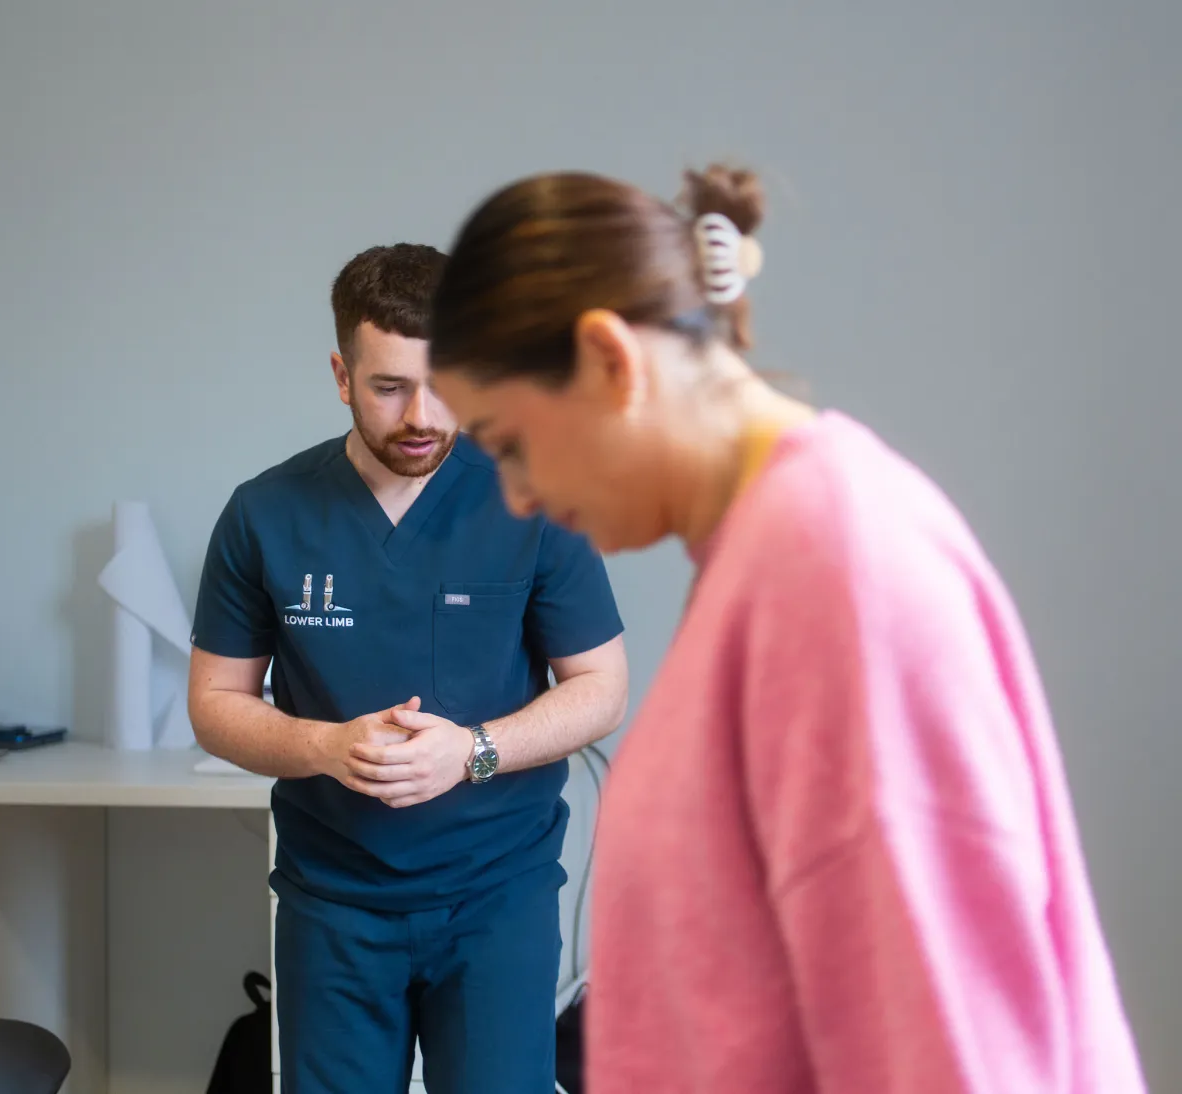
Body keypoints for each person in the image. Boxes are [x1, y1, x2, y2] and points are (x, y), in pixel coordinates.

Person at [424, 168, 1147, 1092]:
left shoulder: (832, 562)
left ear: (609, 359)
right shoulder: (756, 556)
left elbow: (946, 1043)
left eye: (510, 442)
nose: (517, 494)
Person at [187, 243, 628, 1094]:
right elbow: (215, 702)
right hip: (333, 905)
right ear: (342, 375)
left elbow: (601, 686)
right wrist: (324, 747)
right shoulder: (265, 514)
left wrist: (470, 751)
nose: (422, 413)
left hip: (497, 901)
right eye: (390, 387)